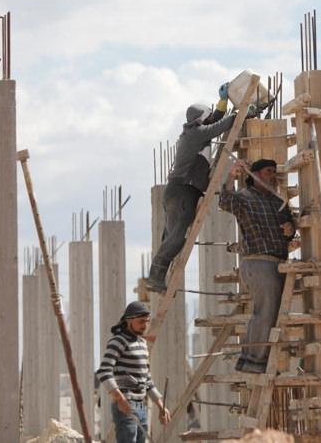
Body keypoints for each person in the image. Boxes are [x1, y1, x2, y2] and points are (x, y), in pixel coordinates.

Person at [147, 82, 245, 293]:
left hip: (177, 189)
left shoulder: (194, 131)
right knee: (176, 238)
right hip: (184, 191)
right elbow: (221, 125)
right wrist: (244, 112)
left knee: (171, 236)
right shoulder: (196, 133)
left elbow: (215, 120)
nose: (209, 119)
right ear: (201, 118)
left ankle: (156, 276)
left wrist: (223, 101)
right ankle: (155, 276)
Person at [219, 158, 296, 373]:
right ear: (255, 175)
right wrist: (231, 175)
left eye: (274, 171)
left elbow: (292, 227)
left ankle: (257, 358)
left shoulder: (277, 201)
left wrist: (291, 229)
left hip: (278, 262)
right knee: (266, 310)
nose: (272, 175)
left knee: (274, 312)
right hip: (258, 261)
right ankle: (253, 358)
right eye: (267, 171)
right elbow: (225, 202)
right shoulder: (245, 197)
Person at [96, 301, 171, 443]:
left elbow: (146, 379)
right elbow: (104, 371)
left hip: (142, 405)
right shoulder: (118, 341)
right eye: (141, 321)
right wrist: (120, 398)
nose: (145, 325)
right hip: (127, 404)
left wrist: (161, 406)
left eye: (147, 322)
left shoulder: (142, 344)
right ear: (129, 320)